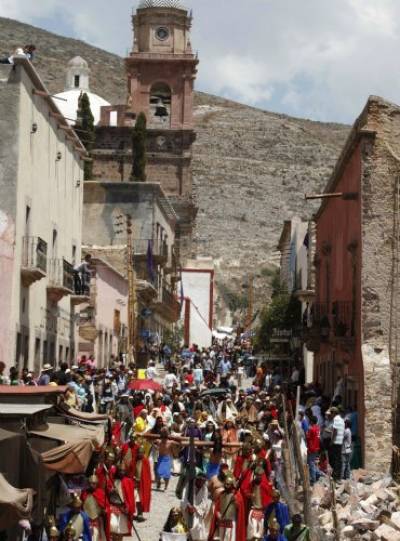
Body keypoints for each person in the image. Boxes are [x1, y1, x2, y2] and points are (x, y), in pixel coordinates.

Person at [208, 474, 246, 541]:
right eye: (225, 484)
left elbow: (240, 509)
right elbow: (217, 508)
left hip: (230, 521)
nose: (226, 486)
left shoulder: (237, 495)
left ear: (232, 485)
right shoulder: (221, 494)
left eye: (228, 484)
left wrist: (236, 501)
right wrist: (218, 514)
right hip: (222, 521)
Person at [108, 464, 135, 540]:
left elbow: (130, 497)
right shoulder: (113, 480)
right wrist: (112, 491)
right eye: (120, 470)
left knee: (120, 530)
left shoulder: (128, 481)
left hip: (123, 508)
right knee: (112, 526)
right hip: (113, 506)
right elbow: (108, 492)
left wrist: (128, 508)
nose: (121, 472)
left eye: (123, 471)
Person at [181, 470, 210, 541]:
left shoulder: (205, 488)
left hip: (197, 512)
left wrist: (196, 509)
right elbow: (184, 497)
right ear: (197, 479)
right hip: (186, 509)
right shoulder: (189, 485)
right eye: (200, 480)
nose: (201, 482)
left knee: (196, 527)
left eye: (203, 481)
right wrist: (188, 506)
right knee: (184, 527)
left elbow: (204, 502)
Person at [81, 474, 108, 541]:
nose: (91, 485)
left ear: (96, 484)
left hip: (97, 520)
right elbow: (81, 507)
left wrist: (105, 511)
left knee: (96, 538)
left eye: (93, 483)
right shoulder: (84, 493)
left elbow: (106, 506)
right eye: (90, 483)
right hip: (86, 520)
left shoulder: (100, 493)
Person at [132, 446, 152, 521]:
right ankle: (133, 513)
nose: (140, 454)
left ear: (143, 453)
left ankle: (140, 514)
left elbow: (147, 474)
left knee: (141, 499)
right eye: (139, 452)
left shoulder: (145, 461)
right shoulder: (135, 460)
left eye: (141, 453)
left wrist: (144, 482)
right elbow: (132, 470)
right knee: (135, 498)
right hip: (135, 483)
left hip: (142, 483)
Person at [329, 407, 345, 481]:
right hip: (340, 442)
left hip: (335, 442)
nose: (330, 415)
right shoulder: (342, 420)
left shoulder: (336, 419)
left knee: (335, 460)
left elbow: (335, 432)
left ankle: (335, 476)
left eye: (331, 413)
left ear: (334, 413)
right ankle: (338, 476)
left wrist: (331, 442)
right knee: (339, 459)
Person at [306, 416, 320, 485]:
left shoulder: (310, 429)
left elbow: (308, 439)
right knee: (314, 462)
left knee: (311, 464)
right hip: (317, 448)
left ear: (311, 421)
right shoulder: (318, 428)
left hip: (311, 448)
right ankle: (318, 474)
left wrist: (308, 449)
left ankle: (313, 480)